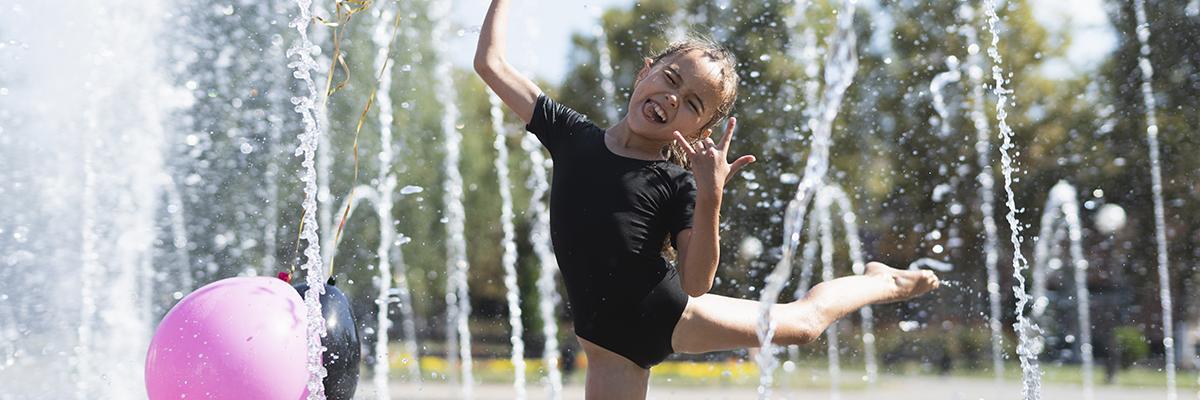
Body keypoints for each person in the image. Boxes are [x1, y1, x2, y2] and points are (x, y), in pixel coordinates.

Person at [474, 1, 940, 398]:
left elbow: (696, 282)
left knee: (805, 323)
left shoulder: (678, 183)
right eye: (670, 78)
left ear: (700, 132)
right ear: (645, 71)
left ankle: (886, 283)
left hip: (664, 318)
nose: (672, 99)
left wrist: (710, 194)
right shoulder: (573, 136)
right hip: (605, 345)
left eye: (693, 104)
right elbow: (490, 64)